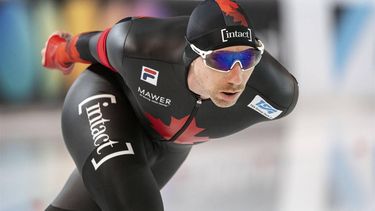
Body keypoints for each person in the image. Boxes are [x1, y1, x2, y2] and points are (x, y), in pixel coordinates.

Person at [41, 0, 299, 210]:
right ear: (192, 54)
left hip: (171, 144)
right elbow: (92, 46)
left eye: (247, 57)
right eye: (221, 60)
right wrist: (60, 51)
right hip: (109, 98)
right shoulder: (140, 45)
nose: (237, 77)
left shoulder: (276, 94)